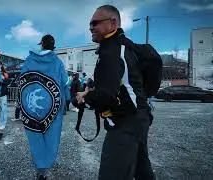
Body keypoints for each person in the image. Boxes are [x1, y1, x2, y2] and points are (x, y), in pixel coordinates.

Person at [76, 5, 156, 180]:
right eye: (90, 24)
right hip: (139, 117)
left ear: (113, 23)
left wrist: (84, 98)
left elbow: (106, 97)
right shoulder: (123, 46)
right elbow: (122, 85)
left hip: (126, 123)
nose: (91, 27)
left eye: (95, 23)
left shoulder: (112, 52)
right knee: (141, 169)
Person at [19, 34, 68, 180]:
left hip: (31, 104)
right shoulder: (57, 62)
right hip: (53, 103)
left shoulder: (29, 60)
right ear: (53, 45)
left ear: (41, 45)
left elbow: (23, 80)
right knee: (52, 133)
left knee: (35, 132)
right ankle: (47, 162)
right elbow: (64, 81)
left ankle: (40, 167)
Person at [0, 61, 9, 132]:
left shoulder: (4, 73)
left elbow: (7, 82)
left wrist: (2, 78)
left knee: (3, 109)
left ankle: (2, 123)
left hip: (2, 94)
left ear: (1, 65)